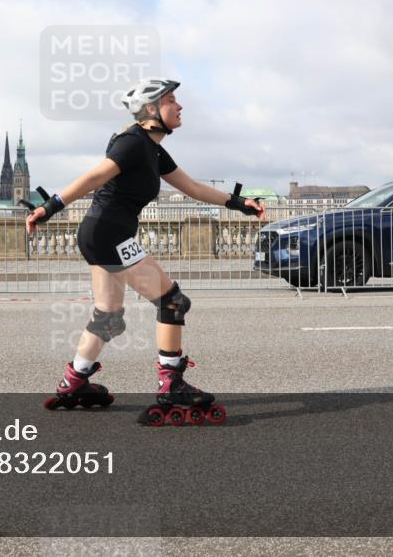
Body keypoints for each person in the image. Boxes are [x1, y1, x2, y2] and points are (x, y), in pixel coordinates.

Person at [24, 78, 266, 423]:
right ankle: (171, 383)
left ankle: (74, 381)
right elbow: (95, 176)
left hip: (100, 233)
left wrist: (239, 203)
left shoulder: (152, 149)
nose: (180, 106)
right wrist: (50, 207)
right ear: (152, 109)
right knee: (172, 301)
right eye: (171, 100)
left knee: (108, 317)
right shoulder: (132, 143)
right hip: (109, 233)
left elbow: (193, 187)